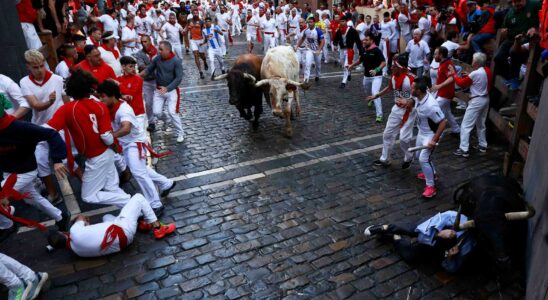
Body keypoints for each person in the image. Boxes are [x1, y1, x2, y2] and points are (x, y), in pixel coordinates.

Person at [46, 69, 131, 207]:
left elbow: (47, 130)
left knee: (88, 196)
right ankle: (139, 212)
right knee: (112, 188)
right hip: (107, 153)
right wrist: (112, 144)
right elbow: (106, 137)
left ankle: (132, 202)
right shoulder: (100, 104)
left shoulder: (67, 109)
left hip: (96, 157)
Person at [97, 80, 175, 215]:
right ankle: (166, 183)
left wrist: (112, 136)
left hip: (134, 144)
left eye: (102, 96)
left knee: (139, 173)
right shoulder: (114, 104)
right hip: (127, 144)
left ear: (112, 96)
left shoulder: (124, 110)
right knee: (140, 169)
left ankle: (155, 204)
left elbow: (126, 128)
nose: (100, 99)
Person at [0, 93, 70, 232]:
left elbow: (52, 134)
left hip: (25, 172)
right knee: (32, 198)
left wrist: (57, 160)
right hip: (9, 171)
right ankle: (61, 216)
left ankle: (7, 225)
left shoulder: (20, 127)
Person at [47, 194, 176, 257]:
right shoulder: (74, 231)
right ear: (63, 233)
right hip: (123, 229)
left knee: (106, 217)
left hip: (123, 243)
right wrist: (78, 221)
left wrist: (84, 226)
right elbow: (80, 217)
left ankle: (140, 224)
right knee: (138, 198)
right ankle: (158, 227)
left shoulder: (77, 252)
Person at [20, 50, 70, 205]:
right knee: (41, 162)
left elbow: (66, 99)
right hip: (39, 128)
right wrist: (49, 102)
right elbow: (35, 105)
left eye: (42, 66)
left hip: (59, 126)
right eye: (35, 67)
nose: (40, 70)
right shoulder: (24, 82)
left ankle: (72, 190)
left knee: (66, 161)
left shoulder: (57, 78)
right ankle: (53, 193)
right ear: (28, 67)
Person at [364, 210, 475, 273]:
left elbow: (451, 268)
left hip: (437, 247)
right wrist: (438, 233)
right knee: (412, 230)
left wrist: (450, 256)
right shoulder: (455, 217)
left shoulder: (468, 245)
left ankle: (395, 237)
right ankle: (386, 227)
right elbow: (423, 230)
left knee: (410, 256)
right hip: (430, 227)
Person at [367, 54, 416, 167]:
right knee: (387, 134)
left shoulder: (411, 79)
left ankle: (409, 157)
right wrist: (377, 95)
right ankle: (385, 159)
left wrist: (409, 102)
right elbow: (390, 88)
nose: (391, 67)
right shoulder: (394, 76)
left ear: (400, 67)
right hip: (396, 109)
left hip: (408, 112)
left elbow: (421, 94)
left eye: (394, 66)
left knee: (404, 139)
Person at [405, 77, 448, 198]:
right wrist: (409, 102)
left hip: (431, 134)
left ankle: (431, 186)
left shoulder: (431, 106)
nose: (410, 89)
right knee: (419, 156)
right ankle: (432, 173)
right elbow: (413, 99)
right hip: (422, 132)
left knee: (423, 159)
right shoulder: (419, 95)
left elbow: (443, 122)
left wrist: (434, 140)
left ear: (418, 90)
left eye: (413, 88)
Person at [140, 41, 185, 143]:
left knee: (172, 112)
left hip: (171, 91)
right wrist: (138, 76)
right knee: (156, 112)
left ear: (168, 50)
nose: (159, 51)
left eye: (161, 49)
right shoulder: (157, 59)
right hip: (159, 90)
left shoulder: (176, 61)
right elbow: (148, 69)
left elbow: (178, 78)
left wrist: (168, 88)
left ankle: (180, 133)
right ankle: (167, 120)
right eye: (159, 49)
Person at [453, 53, 491, 157]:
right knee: (481, 123)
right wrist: (469, 75)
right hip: (485, 99)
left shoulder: (475, 74)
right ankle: (483, 145)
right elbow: (475, 78)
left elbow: (460, 83)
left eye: (473, 60)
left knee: (466, 125)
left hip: (476, 100)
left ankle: (464, 149)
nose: (472, 62)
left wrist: (454, 74)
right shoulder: (487, 70)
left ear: (476, 63)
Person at [347, 32, 385, 123]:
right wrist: (352, 65)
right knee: (367, 90)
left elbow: (384, 62)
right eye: (364, 39)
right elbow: (360, 60)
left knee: (375, 93)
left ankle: (379, 115)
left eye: (366, 40)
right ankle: (370, 99)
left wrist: (376, 69)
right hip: (367, 76)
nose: (364, 41)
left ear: (372, 41)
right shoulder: (364, 49)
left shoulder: (376, 50)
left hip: (377, 76)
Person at [431, 46, 460, 135]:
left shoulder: (447, 64)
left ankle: (438, 133)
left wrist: (439, 86)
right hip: (443, 93)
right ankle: (456, 129)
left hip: (445, 94)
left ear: (441, 55)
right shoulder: (443, 62)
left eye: (435, 54)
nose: (433, 56)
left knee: (434, 110)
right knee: (447, 112)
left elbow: (451, 78)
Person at [135, 35, 158, 132]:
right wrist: (154, 66)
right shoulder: (139, 54)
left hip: (158, 80)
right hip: (147, 81)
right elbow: (141, 67)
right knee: (148, 103)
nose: (144, 44)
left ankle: (163, 117)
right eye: (142, 42)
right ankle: (151, 122)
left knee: (158, 104)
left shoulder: (158, 51)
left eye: (145, 41)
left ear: (150, 41)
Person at [333, 16, 362, 89]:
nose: (342, 23)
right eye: (341, 21)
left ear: (346, 22)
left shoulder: (352, 30)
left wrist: (361, 51)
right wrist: (335, 44)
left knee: (346, 65)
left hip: (349, 50)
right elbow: (335, 39)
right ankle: (349, 72)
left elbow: (358, 41)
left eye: (343, 21)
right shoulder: (339, 30)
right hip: (342, 50)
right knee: (343, 64)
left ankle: (343, 82)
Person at [296, 17, 325, 84]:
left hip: (318, 51)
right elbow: (302, 38)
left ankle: (317, 75)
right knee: (307, 64)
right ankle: (306, 80)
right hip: (310, 50)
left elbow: (322, 41)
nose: (310, 23)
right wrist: (297, 46)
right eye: (308, 22)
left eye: (311, 22)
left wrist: (319, 49)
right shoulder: (306, 30)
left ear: (314, 23)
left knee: (318, 65)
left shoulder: (318, 31)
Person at [187, 9, 208, 79]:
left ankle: (205, 61)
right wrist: (184, 30)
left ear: (198, 13)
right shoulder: (189, 21)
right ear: (192, 13)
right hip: (193, 40)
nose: (195, 14)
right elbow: (187, 28)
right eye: (194, 13)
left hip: (200, 40)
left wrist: (205, 40)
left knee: (202, 56)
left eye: (197, 13)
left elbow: (205, 31)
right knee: (196, 55)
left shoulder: (201, 21)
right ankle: (200, 72)